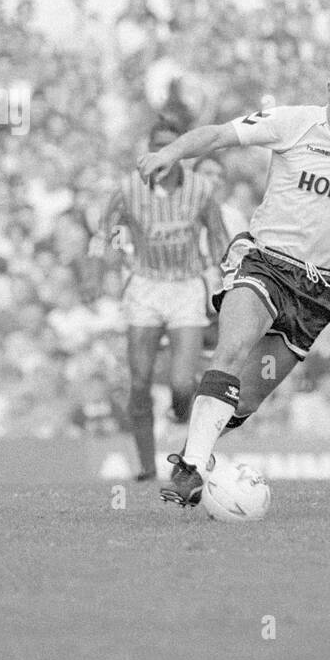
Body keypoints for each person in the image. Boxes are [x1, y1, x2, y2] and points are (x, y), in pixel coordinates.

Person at [137, 51, 330, 507]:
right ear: (329, 90)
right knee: (232, 347)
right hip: (266, 262)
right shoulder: (295, 123)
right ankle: (189, 468)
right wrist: (169, 152)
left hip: (318, 292)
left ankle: (199, 437)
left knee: (244, 400)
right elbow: (220, 135)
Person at [92, 81, 230, 481]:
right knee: (138, 382)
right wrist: (101, 269)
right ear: (149, 151)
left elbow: (218, 235)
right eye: (159, 148)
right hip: (146, 286)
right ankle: (147, 467)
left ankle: (181, 415)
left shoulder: (201, 190)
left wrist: (226, 277)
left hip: (186, 287)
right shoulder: (128, 191)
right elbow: (104, 232)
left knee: (183, 384)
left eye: (174, 148)